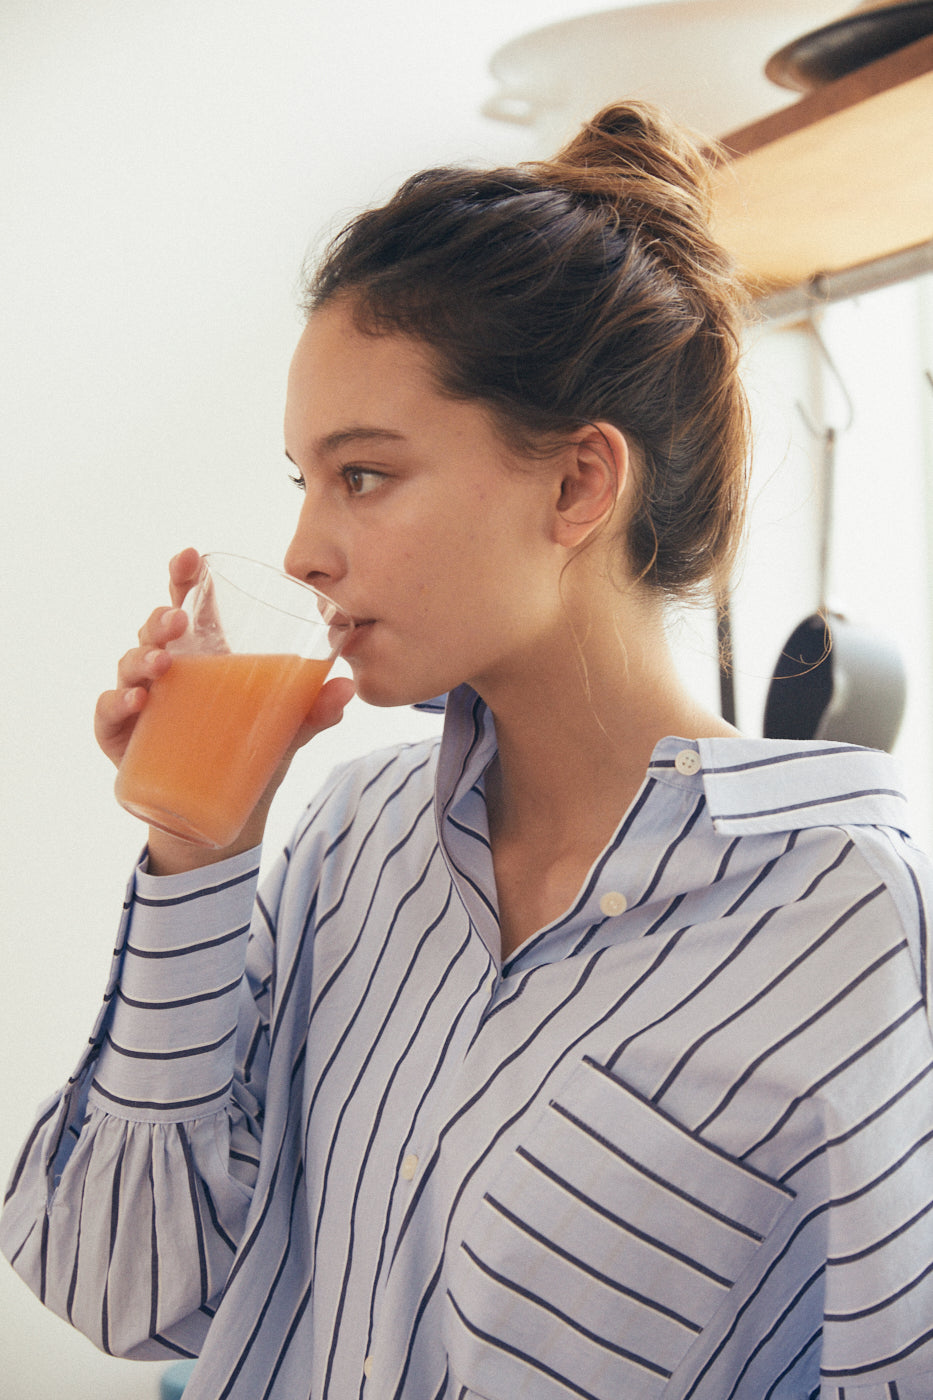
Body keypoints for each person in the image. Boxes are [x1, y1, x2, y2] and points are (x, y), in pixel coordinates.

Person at [3, 101, 933, 1400]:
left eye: (364, 476)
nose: (302, 552)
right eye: (303, 481)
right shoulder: (349, 846)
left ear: (574, 487)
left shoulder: (839, 915)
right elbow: (123, 1290)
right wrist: (195, 850)